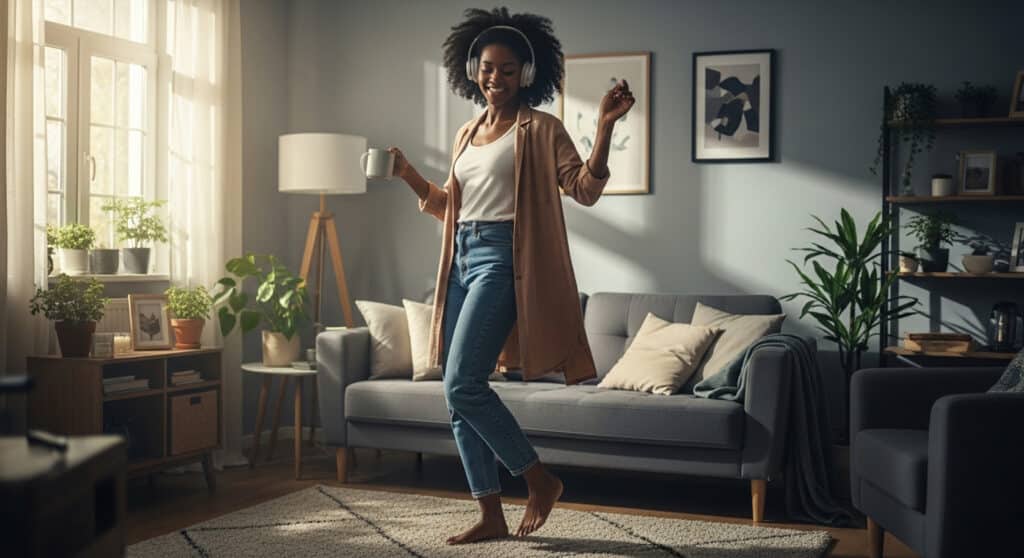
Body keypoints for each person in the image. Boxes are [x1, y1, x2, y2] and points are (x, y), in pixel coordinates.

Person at [389, 6, 634, 545]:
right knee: (456, 395)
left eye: (506, 69)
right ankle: (490, 513)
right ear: (471, 68)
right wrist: (408, 176)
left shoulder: (540, 128)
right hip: (461, 257)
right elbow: (452, 205)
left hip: (505, 258)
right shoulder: (467, 131)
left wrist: (603, 128)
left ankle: (539, 478)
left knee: (462, 383)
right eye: (485, 66)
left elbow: (585, 189)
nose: (493, 77)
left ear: (527, 73)